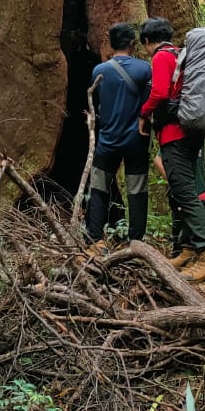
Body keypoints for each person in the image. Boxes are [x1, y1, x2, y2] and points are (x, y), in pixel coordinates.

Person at [139, 17, 205, 282]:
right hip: (192, 132)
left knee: (185, 194)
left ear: (147, 41)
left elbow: (160, 93)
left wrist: (143, 114)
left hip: (175, 135)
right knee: (187, 192)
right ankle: (186, 250)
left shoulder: (162, 57)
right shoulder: (182, 56)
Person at [84, 22, 152, 250]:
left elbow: (98, 104)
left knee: (99, 188)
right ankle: (136, 242)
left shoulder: (99, 71)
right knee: (137, 191)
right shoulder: (145, 69)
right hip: (136, 140)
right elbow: (148, 103)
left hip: (108, 140)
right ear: (133, 43)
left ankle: (95, 240)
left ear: (111, 44)